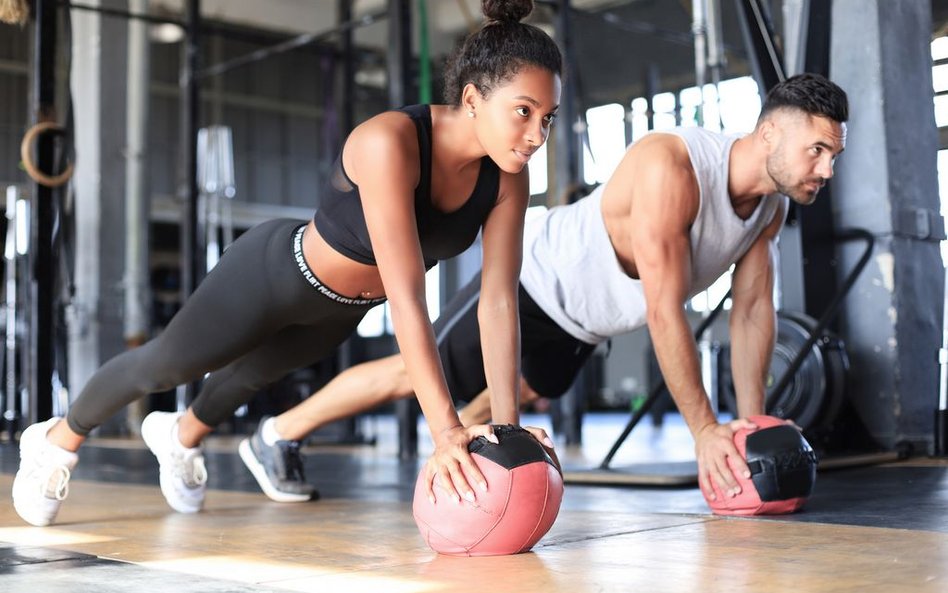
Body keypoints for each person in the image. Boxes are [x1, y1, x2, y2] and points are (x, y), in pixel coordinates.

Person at [12, 0, 563, 527]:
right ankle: (55, 442)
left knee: (253, 376)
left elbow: (496, 300)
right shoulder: (389, 141)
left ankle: (178, 437)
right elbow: (407, 294)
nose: (538, 135)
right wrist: (446, 432)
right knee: (168, 366)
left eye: (549, 117)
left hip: (342, 308)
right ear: (471, 98)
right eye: (524, 111)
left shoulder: (507, 176)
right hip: (277, 275)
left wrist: (506, 428)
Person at [236, 73, 848, 506]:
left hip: (586, 325)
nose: (825, 169)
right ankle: (278, 434)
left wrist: (746, 423)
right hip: (532, 282)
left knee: (506, 415)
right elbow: (665, 309)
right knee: (410, 374)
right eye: (816, 150)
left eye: (833, 155)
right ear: (769, 134)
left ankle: (466, 479)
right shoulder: (676, 167)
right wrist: (704, 432)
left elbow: (750, 314)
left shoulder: (770, 210)